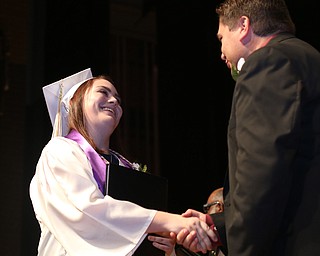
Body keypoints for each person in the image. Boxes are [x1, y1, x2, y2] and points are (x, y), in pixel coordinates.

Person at [176, 0, 320, 255]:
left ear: (243, 26)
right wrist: (217, 226)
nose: (221, 52)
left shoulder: (268, 62)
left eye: (221, 38)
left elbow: (262, 173)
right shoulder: (309, 58)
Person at [29, 68, 218, 256]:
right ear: (74, 102)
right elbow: (86, 212)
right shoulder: (59, 151)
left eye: (118, 100)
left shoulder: (123, 165)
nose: (114, 101)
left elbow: (134, 225)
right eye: (103, 92)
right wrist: (171, 222)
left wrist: (163, 246)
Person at [149, 187, 225, 256]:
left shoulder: (232, 240)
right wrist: (171, 252)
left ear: (219, 207)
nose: (206, 213)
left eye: (208, 208)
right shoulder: (211, 246)